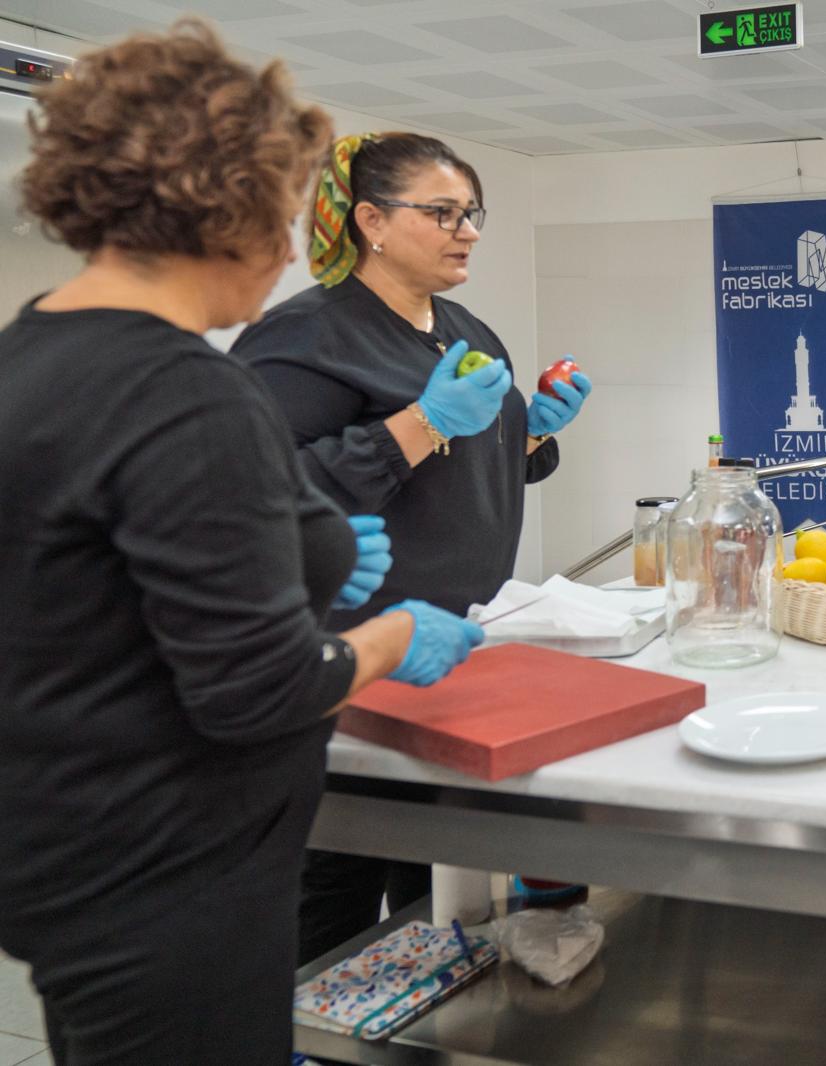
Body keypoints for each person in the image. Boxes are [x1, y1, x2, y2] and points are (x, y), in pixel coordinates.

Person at [0, 22, 481, 1065]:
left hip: (67, 855)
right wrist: (393, 636)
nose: (294, 251)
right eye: (286, 207)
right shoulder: (185, 392)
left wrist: (298, 561)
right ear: (226, 202)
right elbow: (258, 691)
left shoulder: (28, 352)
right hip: (175, 883)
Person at [231, 131, 592, 963]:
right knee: (338, 882)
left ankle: (420, 1005)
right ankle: (315, 1023)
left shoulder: (466, 328)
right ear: (372, 222)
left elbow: (469, 473)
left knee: (434, 877)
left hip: (454, 653)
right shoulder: (305, 340)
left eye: (472, 214)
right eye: (443, 213)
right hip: (351, 663)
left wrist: (532, 433)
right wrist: (422, 422)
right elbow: (262, 499)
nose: (467, 232)